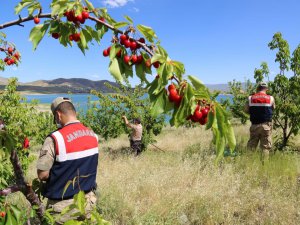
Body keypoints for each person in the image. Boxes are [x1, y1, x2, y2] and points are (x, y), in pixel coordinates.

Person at [36, 97, 99, 224]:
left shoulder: (55, 138)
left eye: (55, 118)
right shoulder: (93, 135)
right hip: (88, 203)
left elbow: (42, 175)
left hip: (63, 209)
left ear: (58, 115)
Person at [245, 82, 275, 159]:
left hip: (254, 125)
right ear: (266, 89)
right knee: (265, 147)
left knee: (251, 146)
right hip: (266, 125)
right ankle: (264, 166)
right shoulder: (271, 98)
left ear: (257, 88)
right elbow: (273, 108)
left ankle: (248, 164)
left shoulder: (250, 98)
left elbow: (246, 110)